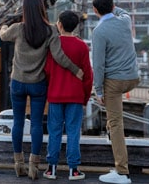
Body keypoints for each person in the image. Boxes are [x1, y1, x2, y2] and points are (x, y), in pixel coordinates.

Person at [0, 0, 84, 180]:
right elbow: (59, 56)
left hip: (18, 83)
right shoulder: (50, 30)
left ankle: (18, 163)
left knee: (18, 122)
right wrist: (75, 70)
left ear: (24, 10)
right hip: (38, 84)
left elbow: (3, 35)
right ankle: (33, 166)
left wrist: (3, 25)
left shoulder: (18, 28)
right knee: (37, 124)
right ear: (41, 8)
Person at [91, 0, 140, 184]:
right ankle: (110, 133)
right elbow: (122, 11)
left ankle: (122, 172)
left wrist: (98, 90)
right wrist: (111, 5)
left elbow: (99, 65)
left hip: (114, 81)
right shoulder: (125, 20)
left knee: (116, 123)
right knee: (113, 120)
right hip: (133, 78)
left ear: (95, 10)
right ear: (113, 7)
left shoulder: (99, 32)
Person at [43, 10, 93, 181]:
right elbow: (88, 75)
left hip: (56, 94)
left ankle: (52, 169)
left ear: (60, 25)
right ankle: (73, 170)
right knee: (73, 132)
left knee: (54, 131)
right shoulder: (82, 46)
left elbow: (47, 70)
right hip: (75, 96)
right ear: (76, 26)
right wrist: (85, 98)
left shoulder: (54, 44)